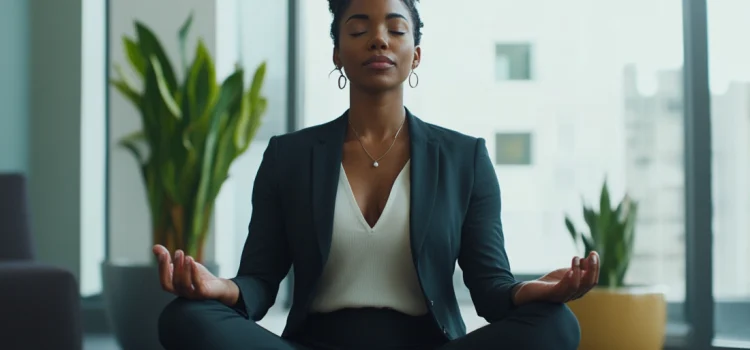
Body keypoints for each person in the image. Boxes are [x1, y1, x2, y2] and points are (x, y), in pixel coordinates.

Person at [156, 0, 598, 349]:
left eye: (396, 29)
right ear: (337, 52)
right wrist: (221, 289)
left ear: (416, 55)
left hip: (428, 344)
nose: (379, 40)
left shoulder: (466, 157)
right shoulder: (288, 156)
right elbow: (260, 281)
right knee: (185, 318)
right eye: (359, 29)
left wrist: (532, 291)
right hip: (315, 342)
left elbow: (490, 289)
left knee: (557, 325)